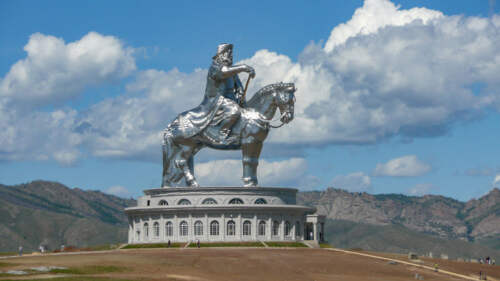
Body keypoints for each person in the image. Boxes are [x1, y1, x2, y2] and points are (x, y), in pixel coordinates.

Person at [171, 43, 255, 143]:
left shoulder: (232, 71)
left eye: (231, 54)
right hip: (217, 100)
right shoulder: (215, 67)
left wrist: (241, 94)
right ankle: (222, 134)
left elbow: (238, 85)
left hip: (231, 99)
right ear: (222, 55)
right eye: (228, 53)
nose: (230, 56)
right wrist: (244, 67)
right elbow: (223, 72)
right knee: (234, 110)